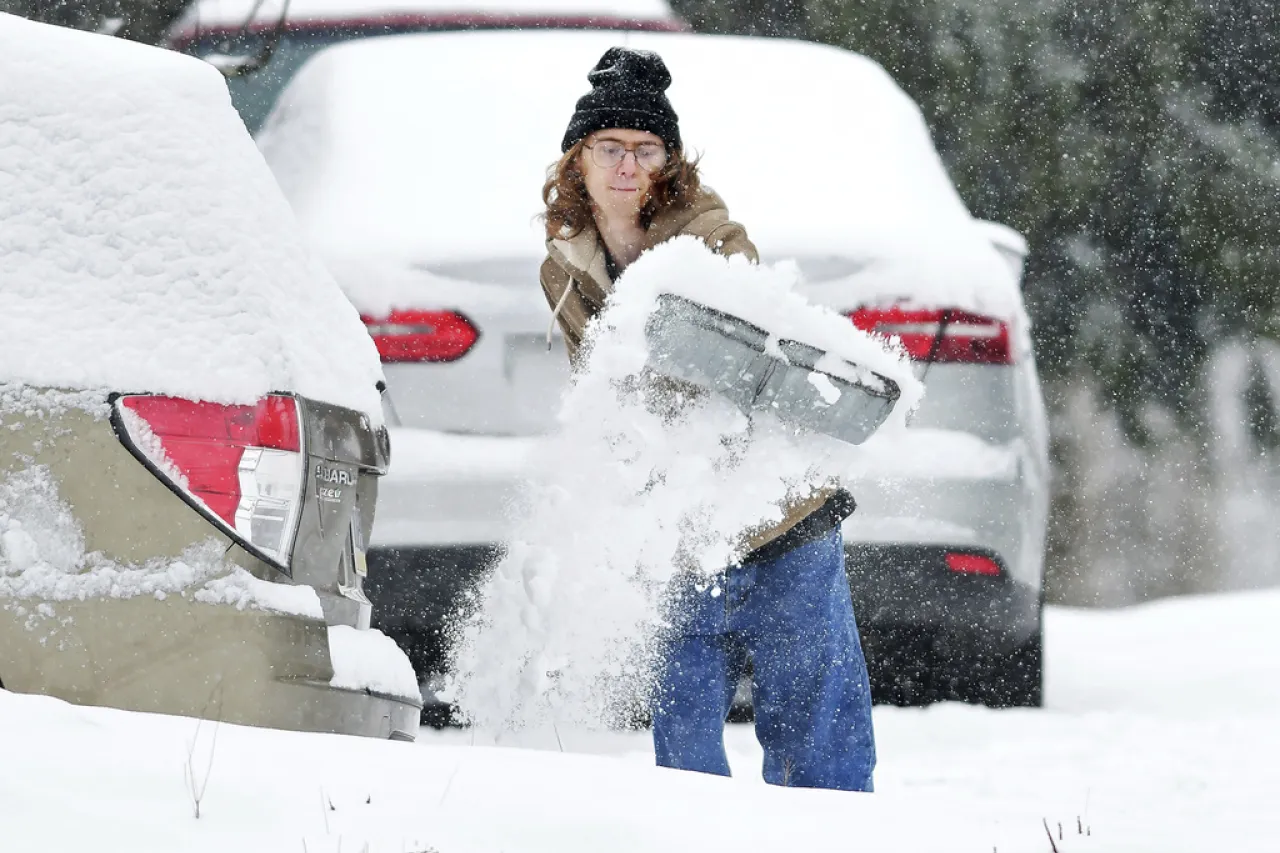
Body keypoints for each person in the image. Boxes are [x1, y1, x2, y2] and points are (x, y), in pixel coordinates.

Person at [538, 46, 876, 792]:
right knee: (685, 741)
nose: (628, 165)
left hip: (781, 513)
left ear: (670, 161)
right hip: (682, 530)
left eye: (647, 148)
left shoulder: (713, 241)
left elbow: (748, 370)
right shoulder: (563, 266)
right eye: (610, 147)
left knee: (815, 735)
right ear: (579, 160)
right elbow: (601, 392)